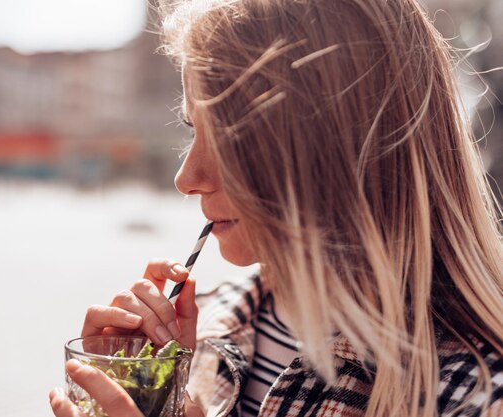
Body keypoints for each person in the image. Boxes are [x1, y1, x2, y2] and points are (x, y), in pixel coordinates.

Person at [49, 0, 503, 416]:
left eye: (229, 138)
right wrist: (157, 401)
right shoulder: (206, 328)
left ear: (338, 145)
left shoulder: (475, 393)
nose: (186, 179)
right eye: (193, 130)